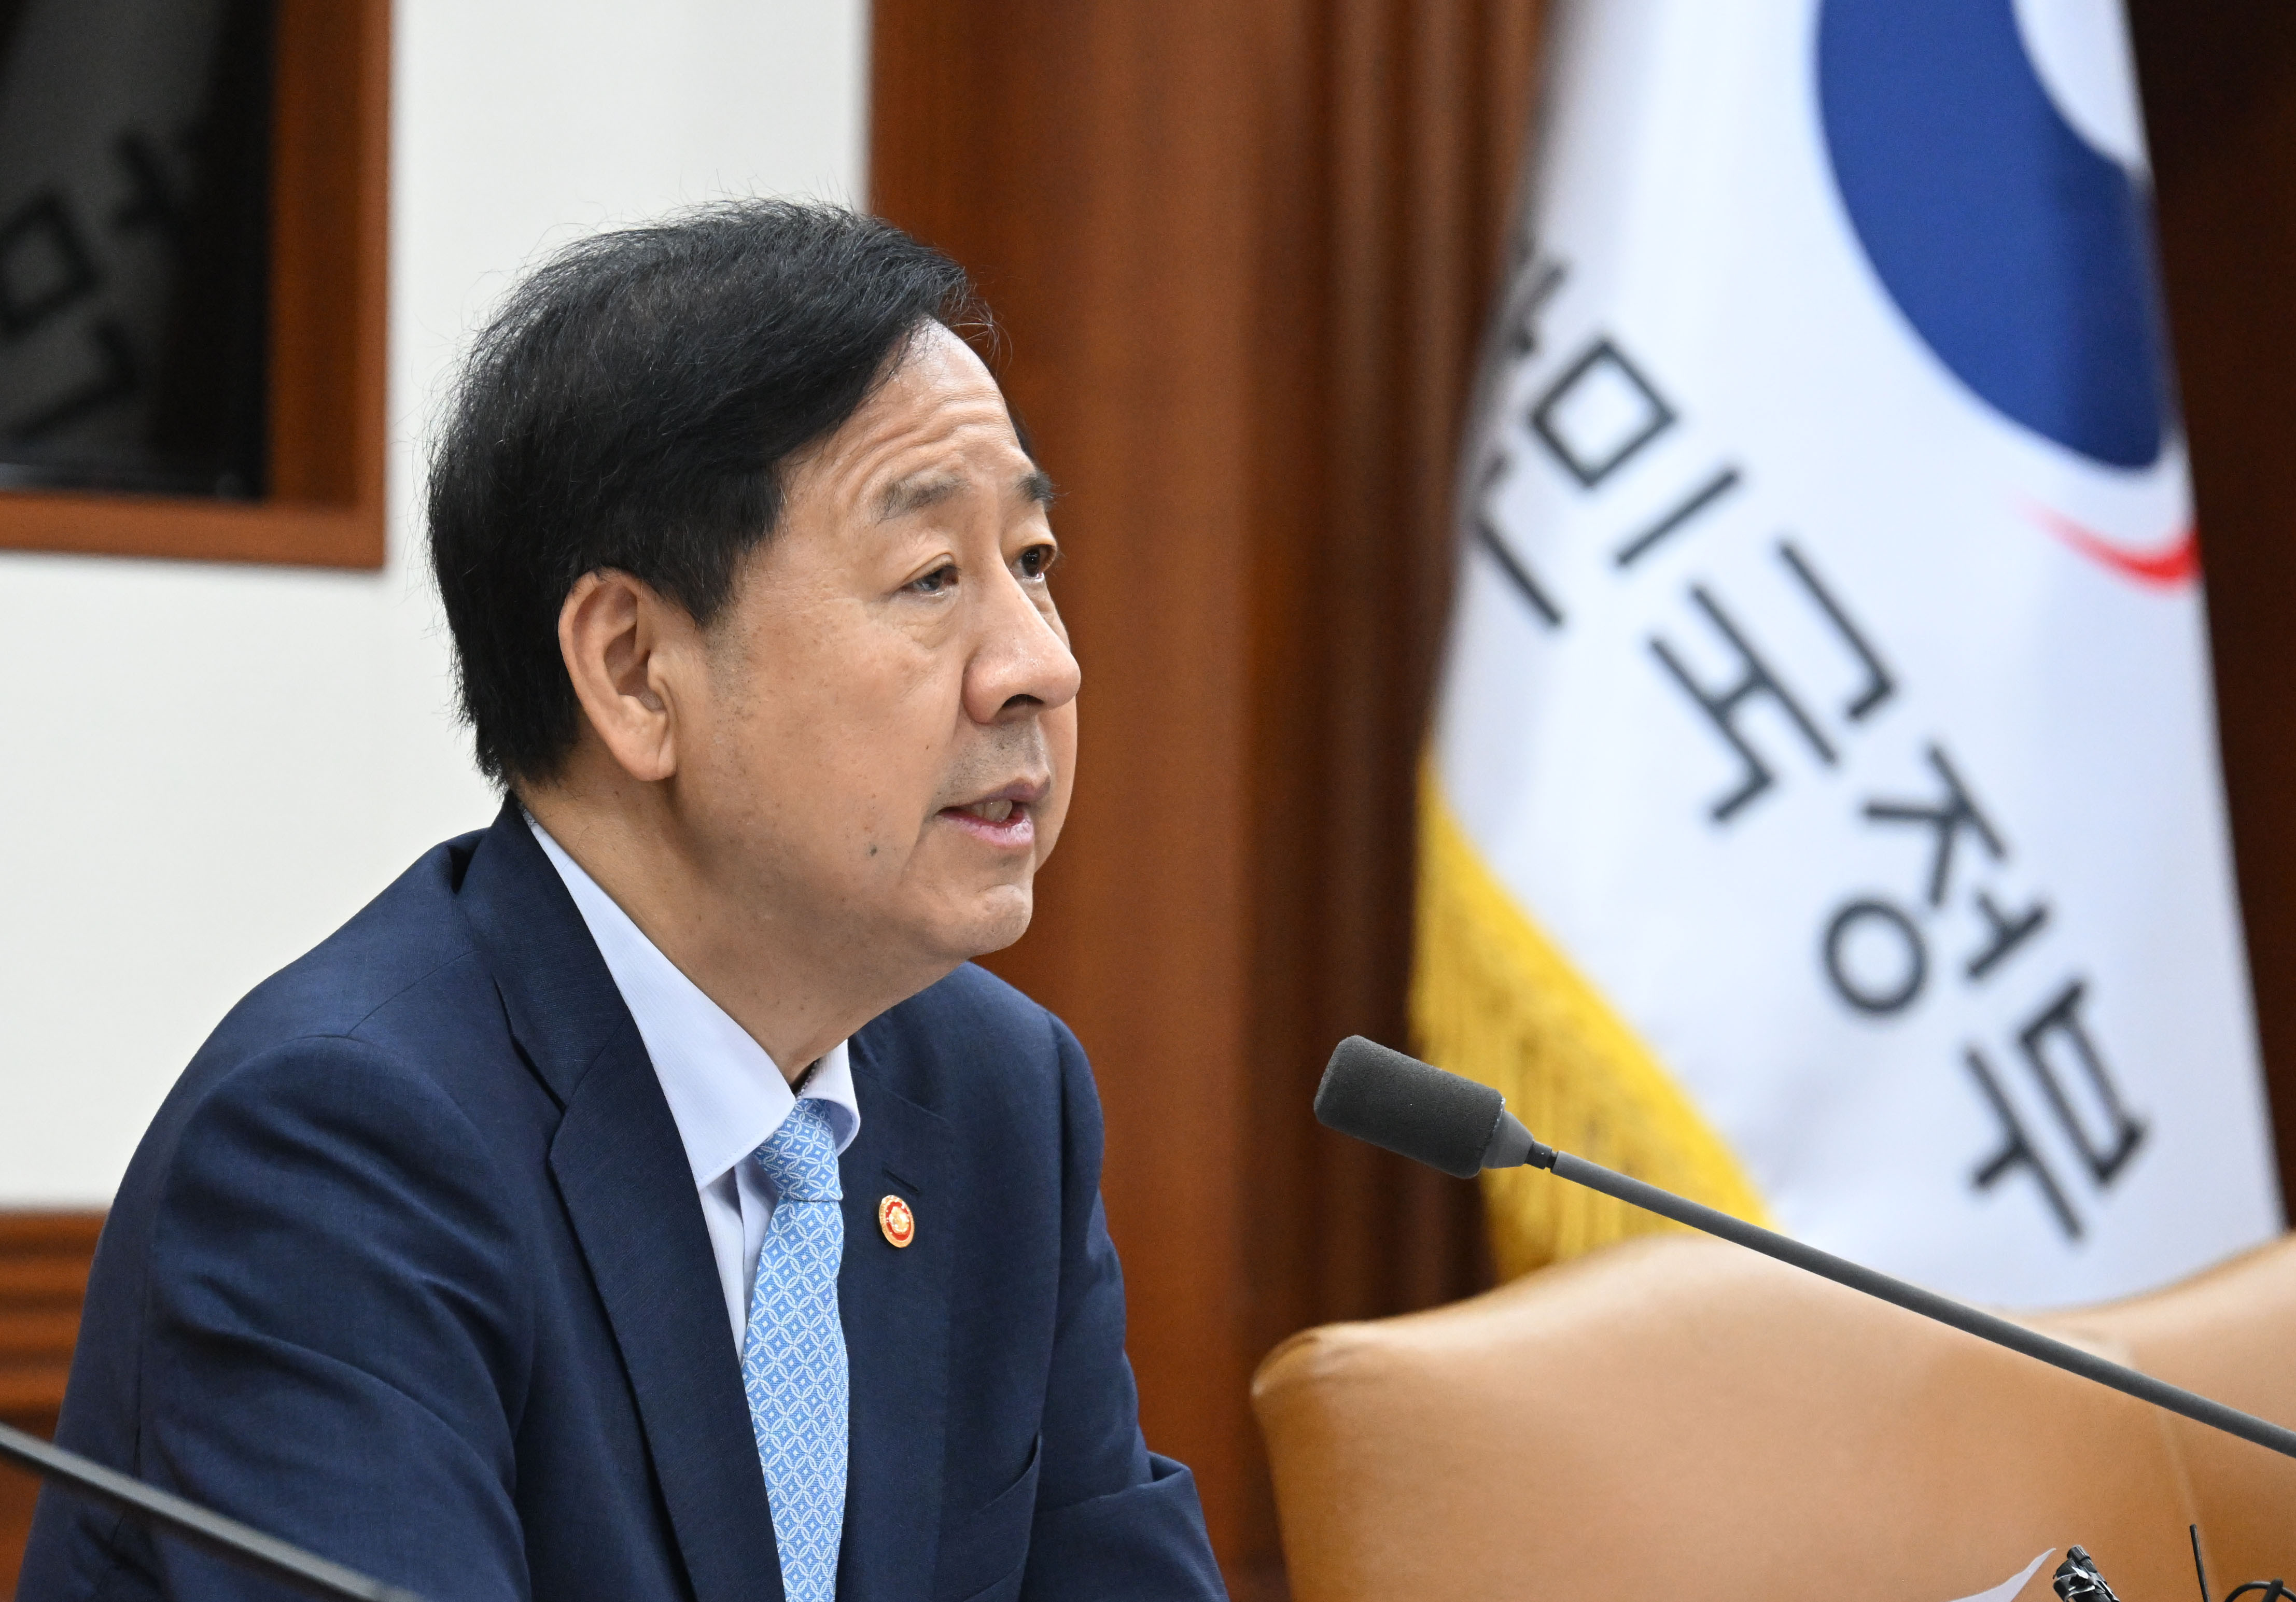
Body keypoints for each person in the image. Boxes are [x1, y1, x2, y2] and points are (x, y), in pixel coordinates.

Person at [20, 200, 1227, 1602]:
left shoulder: (997, 1096)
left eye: (1032, 562)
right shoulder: (342, 1149)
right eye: (930, 577)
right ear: (634, 669)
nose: (1039, 666)